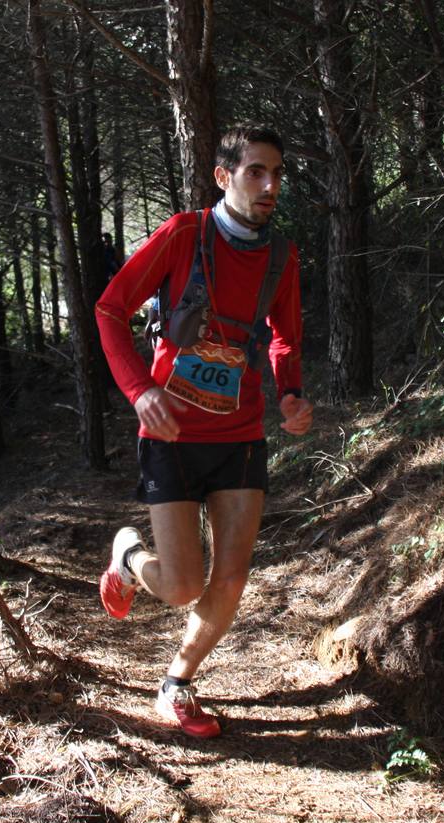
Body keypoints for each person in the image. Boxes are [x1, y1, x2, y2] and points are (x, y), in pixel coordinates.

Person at [94, 124, 314, 738]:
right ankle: (128, 552)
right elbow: (110, 309)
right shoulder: (183, 234)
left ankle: (178, 682)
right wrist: (140, 391)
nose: (270, 185)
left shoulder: (279, 256)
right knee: (183, 584)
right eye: (255, 172)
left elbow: (286, 338)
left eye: (277, 174)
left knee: (233, 577)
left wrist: (290, 394)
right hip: (170, 433)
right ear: (224, 176)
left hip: (240, 433)